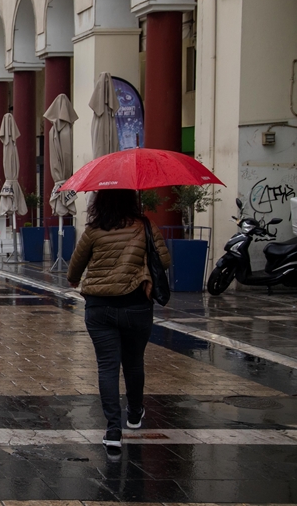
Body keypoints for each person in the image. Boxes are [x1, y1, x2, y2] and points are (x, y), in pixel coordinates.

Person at [66, 189, 170, 449]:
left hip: (99, 308)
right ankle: (134, 414)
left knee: (107, 367)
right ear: (130, 200)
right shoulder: (145, 225)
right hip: (137, 306)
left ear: (99, 203)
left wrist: (76, 279)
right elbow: (165, 261)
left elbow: (73, 270)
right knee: (134, 363)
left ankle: (113, 430)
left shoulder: (93, 229)